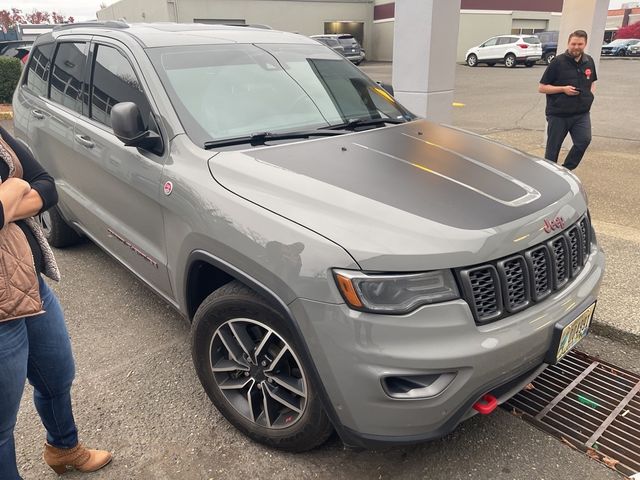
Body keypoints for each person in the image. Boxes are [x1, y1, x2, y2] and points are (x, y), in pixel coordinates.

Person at [0, 125, 112, 479]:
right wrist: (14, 190)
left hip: (29, 286)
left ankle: (63, 448)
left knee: (57, 377)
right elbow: (26, 183)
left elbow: (46, 185)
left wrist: (9, 203)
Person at [538, 29, 598, 170]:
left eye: (580, 44)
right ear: (568, 43)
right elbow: (542, 87)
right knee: (552, 150)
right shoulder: (557, 62)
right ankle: (549, 175)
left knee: (583, 141)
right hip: (559, 115)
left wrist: (590, 97)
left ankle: (566, 170)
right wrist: (563, 89)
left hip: (581, 114)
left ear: (585, 44)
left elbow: (592, 81)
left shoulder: (589, 61)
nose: (576, 47)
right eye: (573, 44)